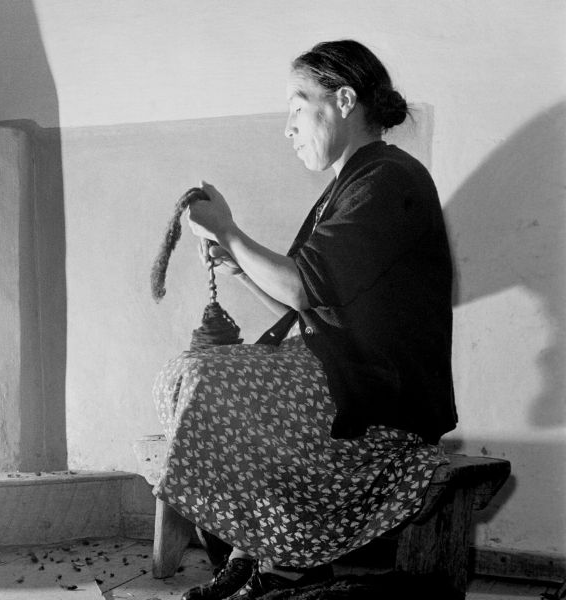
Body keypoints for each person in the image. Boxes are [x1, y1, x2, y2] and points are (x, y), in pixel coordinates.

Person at [152, 39, 458, 600]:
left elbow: (300, 286)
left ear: (344, 100)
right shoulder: (353, 183)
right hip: (348, 373)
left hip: (384, 396)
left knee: (206, 378)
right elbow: (306, 305)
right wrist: (240, 266)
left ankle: (278, 560)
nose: (287, 126)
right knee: (193, 371)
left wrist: (230, 232)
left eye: (297, 106)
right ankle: (264, 554)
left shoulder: (387, 179)